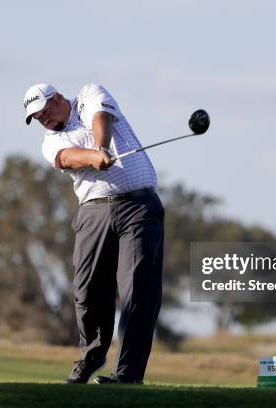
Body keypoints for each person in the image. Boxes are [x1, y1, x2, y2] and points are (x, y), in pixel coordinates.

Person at [23, 83, 164, 384]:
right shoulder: (50, 141)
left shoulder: (89, 95)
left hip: (138, 206)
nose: (43, 119)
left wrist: (102, 147)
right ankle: (92, 356)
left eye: (44, 110)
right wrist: (92, 157)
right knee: (86, 291)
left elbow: (102, 118)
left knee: (137, 291)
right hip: (93, 212)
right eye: (36, 118)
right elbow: (67, 157)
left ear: (58, 98)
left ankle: (127, 374)